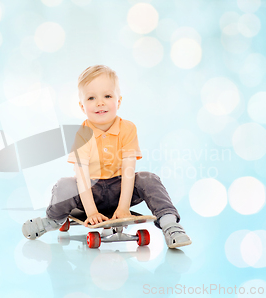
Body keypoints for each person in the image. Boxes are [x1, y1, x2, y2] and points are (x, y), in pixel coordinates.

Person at [22, 65, 192, 248]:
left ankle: (170, 224)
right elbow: (82, 177)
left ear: (118, 101)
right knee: (64, 185)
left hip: (120, 188)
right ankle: (53, 220)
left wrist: (124, 207)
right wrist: (91, 211)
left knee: (148, 179)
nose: (100, 102)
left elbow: (129, 169)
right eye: (91, 98)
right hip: (90, 191)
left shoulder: (128, 129)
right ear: (82, 106)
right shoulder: (82, 134)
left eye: (107, 96)